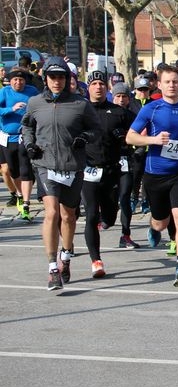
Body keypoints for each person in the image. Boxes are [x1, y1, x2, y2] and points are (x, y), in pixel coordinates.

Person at [21, 57, 102, 290]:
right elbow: (27, 126)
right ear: (45, 78)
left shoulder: (80, 104)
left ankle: (65, 257)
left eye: (61, 77)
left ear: (67, 79)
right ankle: (52, 268)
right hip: (45, 164)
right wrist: (30, 144)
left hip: (72, 166)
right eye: (53, 77)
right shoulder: (35, 102)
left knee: (68, 216)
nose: (57, 81)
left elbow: (96, 129)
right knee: (51, 214)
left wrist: (84, 138)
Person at [126, 64, 178, 287]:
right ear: (159, 85)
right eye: (167, 82)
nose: (172, 85)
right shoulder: (151, 109)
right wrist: (153, 140)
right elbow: (130, 137)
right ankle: (154, 227)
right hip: (155, 174)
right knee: (161, 222)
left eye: (175, 81)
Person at [81, 71, 131, 278]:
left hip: (112, 170)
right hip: (88, 170)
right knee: (91, 214)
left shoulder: (118, 112)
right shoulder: (80, 110)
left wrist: (126, 139)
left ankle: (107, 219)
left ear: (107, 88)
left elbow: (136, 133)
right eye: (94, 84)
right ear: (88, 87)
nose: (98, 87)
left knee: (109, 216)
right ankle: (96, 261)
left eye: (102, 83)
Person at [0, 67, 40, 220]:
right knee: (12, 170)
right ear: (10, 81)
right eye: (15, 80)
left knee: (25, 169)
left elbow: (40, 107)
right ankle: (19, 194)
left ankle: (26, 203)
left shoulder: (32, 91)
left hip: (25, 136)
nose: (18, 82)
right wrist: (11, 109)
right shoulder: (4, 92)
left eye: (21, 79)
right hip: (7, 137)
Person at [110, 83, 140, 249]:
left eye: (124, 96)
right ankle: (104, 218)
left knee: (125, 197)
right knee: (110, 198)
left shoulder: (132, 116)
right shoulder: (104, 114)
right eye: (118, 96)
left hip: (126, 160)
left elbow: (141, 136)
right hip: (107, 162)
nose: (121, 99)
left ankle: (126, 235)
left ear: (129, 98)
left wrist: (136, 150)